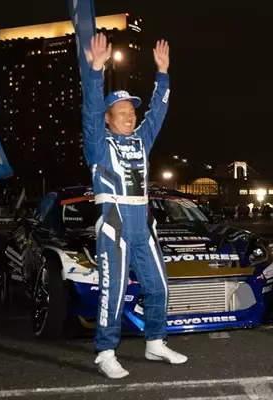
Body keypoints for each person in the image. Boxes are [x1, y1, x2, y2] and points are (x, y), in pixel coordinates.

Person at [82, 33, 187, 379]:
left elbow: (158, 111)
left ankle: (155, 342)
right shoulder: (98, 143)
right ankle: (105, 352)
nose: (129, 117)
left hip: (142, 220)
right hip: (114, 221)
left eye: (131, 112)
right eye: (122, 112)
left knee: (158, 287)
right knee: (112, 292)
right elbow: (90, 111)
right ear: (108, 118)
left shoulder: (141, 139)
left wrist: (163, 73)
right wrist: (96, 71)